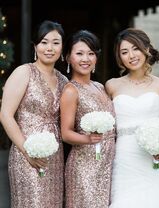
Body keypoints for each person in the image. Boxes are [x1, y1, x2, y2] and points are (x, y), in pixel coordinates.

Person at [105, 28, 159, 208]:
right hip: (124, 158)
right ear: (119, 58)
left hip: (155, 160)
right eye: (124, 52)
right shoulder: (112, 86)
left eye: (135, 48)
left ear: (146, 49)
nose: (131, 55)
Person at [0, 20, 67, 207]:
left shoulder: (63, 80)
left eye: (56, 42)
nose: (49, 48)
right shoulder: (24, 72)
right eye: (44, 42)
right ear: (35, 45)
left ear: (62, 47)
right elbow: (5, 114)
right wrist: (27, 151)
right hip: (25, 154)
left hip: (55, 155)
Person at [60, 30, 115, 208]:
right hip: (84, 166)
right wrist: (87, 139)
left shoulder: (99, 86)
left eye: (91, 53)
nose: (86, 59)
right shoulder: (70, 90)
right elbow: (66, 133)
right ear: (68, 57)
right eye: (79, 53)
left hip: (107, 163)